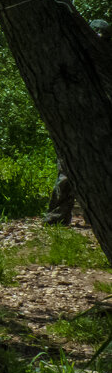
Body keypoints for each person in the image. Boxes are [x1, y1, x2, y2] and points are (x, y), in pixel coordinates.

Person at [45, 18, 110, 225]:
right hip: (74, 123)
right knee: (67, 171)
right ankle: (57, 217)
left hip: (100, 125)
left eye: (104, 39)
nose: (99, 42)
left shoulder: (106, 63)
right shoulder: (72, 59)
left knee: (101, 172)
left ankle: (97, 217)